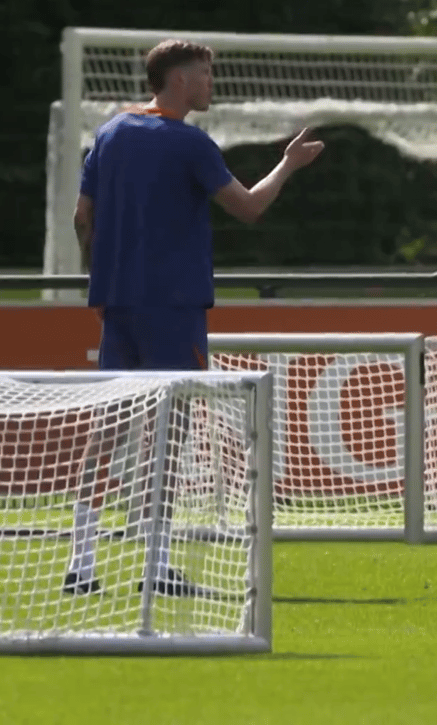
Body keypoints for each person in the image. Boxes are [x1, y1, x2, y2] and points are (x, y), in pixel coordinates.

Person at [66, 38, 324, 596]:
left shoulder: (110, 133)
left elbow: (81, 218)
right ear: (181, 79)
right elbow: (250, 207)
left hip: (118, 303)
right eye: (206, 74)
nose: (212, 84)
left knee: (107, 428)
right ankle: (156, 565)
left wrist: (103, 277)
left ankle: (79, 563)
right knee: (172, 426)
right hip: (174, 305)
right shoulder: (188, 143)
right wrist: (287, 164)